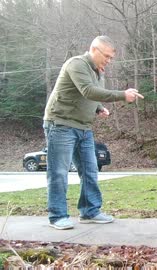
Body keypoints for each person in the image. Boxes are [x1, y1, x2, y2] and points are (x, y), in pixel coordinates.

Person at [43, 36, 144, 230]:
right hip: (61, 124)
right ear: (93, 49)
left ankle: (90, 211)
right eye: (106, 56)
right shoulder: (76, 64)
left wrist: (98, 108)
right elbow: (88, 91)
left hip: (83, 127)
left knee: (90, 170)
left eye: (111, 58)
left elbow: (90, 95)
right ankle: (57, 216)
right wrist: (123, 95)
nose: (108, 60)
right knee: (58, 172)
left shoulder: (97, 71)